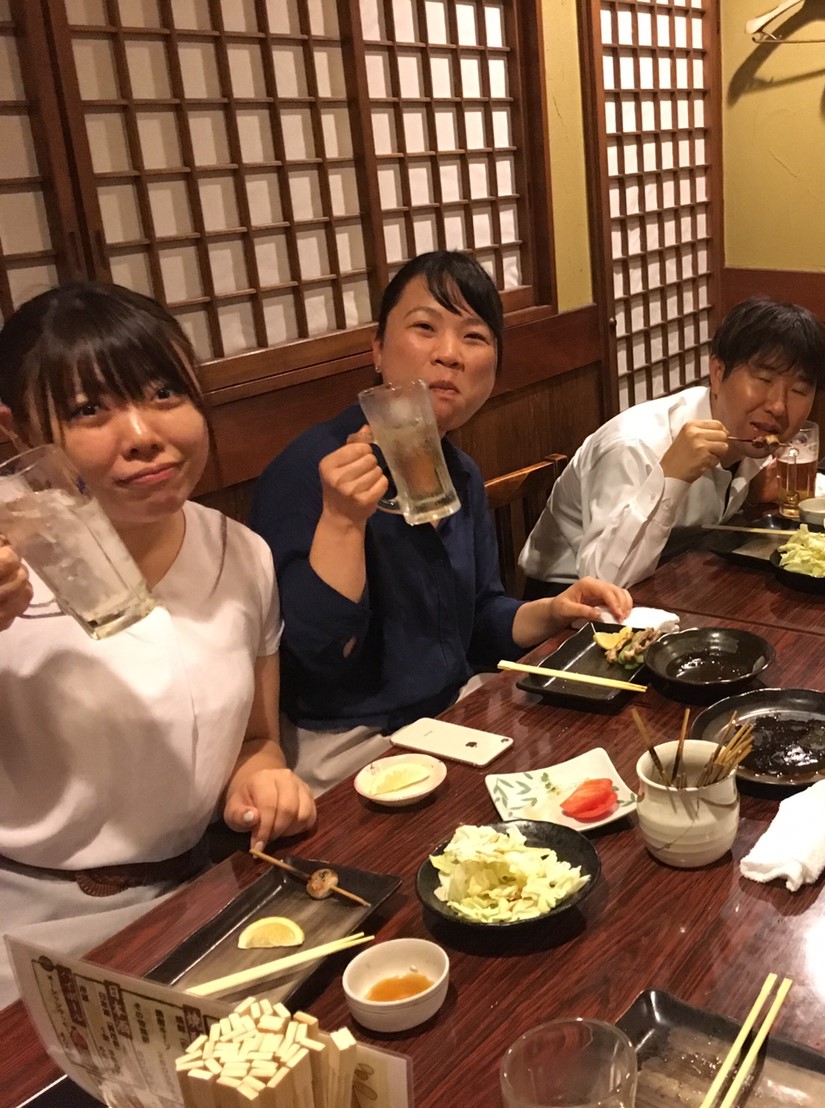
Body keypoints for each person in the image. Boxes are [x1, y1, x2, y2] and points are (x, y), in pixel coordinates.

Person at [0, 284, 315, 1008]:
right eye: (90, 409)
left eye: (164, 392)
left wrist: (261, 778)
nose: (142, 433)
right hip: (31, 927)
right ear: (16, 430)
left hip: (200, 897)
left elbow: (257, 740)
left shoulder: (241, 554)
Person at [251, 251, 631, 793]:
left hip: (452, 715)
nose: (449, 354)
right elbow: (315, 664)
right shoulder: (308, 472)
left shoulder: (458, 471)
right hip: (349, 746)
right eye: (425, 328)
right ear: (377, 349)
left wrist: (552, 609)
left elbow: (479, 617)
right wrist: (343, 521)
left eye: (474, 337)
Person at [518, 296, 825, 589]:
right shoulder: (635, 445)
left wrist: (748, 494)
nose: (778, 406)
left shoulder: (751, 438)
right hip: (567, 602)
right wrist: (671, 477)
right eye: (763, 380)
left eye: (799, 391)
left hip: (673, 576)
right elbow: (604, 583)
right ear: (718, 373)